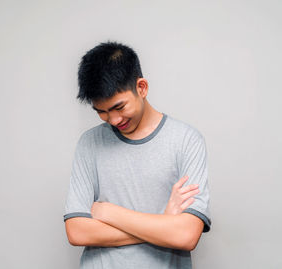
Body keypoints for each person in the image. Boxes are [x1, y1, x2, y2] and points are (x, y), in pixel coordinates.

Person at [63, 41, 211, 269]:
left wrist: (109, 212)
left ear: (141, 88)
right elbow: (77, 231)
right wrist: (164, 223)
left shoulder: (186, 141)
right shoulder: (90, 143)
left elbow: (186, 236)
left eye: (119, 107)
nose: (113, 120)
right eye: (101, 111)